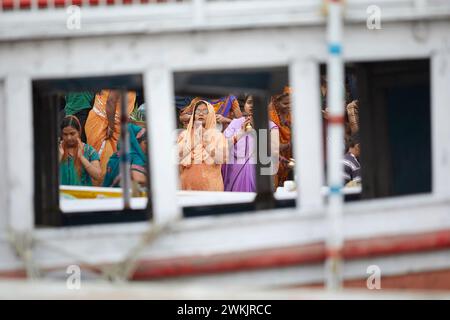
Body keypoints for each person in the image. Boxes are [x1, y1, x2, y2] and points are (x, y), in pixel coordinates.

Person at [222, 94, 279, 192]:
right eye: (249, 102)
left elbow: (274, 152)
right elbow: (222, 146)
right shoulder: (235, 123)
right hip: (233, 172)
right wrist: (241, 133)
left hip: (257, 172)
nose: (252, 106)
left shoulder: (271, 127)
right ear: (244, 105)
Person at [84, 89, 137, 185]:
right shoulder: (121, 77)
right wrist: (111, 127)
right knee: (104, 166)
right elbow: (111, 102)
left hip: (111, 125)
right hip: (105, 127)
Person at [177, 100, 228, 191]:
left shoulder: (218, 136)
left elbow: (220, 159)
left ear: (211, 115)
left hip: (211, 189)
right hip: (186, 189)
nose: (201, 114)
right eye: (198, 111)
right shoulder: (184, 135)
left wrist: (205, 138)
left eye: (205, 111)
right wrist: (193, 140)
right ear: (193, 115)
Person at [59, 115, 102, 186]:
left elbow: (98, 176)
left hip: (83, 195)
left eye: (72, 133)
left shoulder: (89, 150)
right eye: (65, 134)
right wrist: (60, 156)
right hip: (62, 195)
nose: (69, 138)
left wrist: (81, 157)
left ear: (79, 132)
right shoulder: (57, 150)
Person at [103, 123, 148, 188]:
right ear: (136, 142)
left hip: (110, 195)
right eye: (146, 143)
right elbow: (137, 177)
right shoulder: (136, 157)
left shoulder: (115, 156)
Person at [269, 86, 293, 187]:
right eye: (286, 103)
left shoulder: (291, 114)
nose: (290, 106)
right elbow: (269, 147)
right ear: (275, 102)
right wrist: (289, 144)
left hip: (289, 158)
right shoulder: (269, 117)